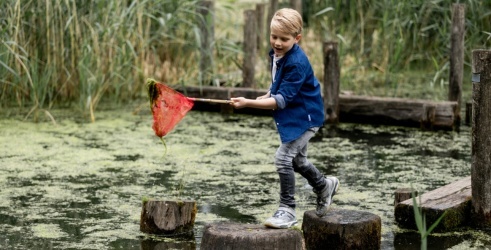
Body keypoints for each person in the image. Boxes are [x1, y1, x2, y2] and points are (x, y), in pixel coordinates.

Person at [230, 8, 339, 229]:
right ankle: (324, 185)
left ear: (297, 38)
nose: (277, 43)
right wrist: (270, 92)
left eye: (284, 39)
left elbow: (282, 101)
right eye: (274, 37)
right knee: (297, 161)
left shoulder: (297, 62)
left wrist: (249, 102)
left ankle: (287, 210)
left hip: (306, 117)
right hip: (295, 114)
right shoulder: (278, 54)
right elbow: (279, 83)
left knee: (283, 158)